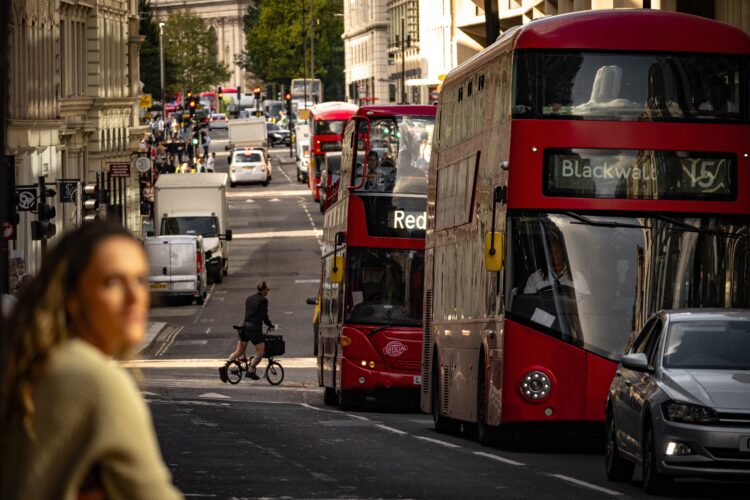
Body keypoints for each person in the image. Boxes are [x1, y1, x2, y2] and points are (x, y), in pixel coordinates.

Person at [0, 221, 182, 499]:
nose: (135, 297)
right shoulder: (96, 381)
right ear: (71, 296)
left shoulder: (36, 365)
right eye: (112, 281)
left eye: (140, 280)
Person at [225, 281, 275, 380]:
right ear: (264, 290)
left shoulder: (249, 298)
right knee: (261, 352)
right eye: (267, 290)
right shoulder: (263, 300)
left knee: (238, 352)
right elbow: (264, 315)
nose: (267, 292)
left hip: (244, 328)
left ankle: (226, 365)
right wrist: (270, 325)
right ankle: (251, 370)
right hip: (254, 329)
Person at [524, 232, 590, 294]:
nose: (554, 255)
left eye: (557, 251)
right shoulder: (535, 278)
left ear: (563, 253)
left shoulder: (577, 277)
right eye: (551, 252)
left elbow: (586, 302)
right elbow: (528, 303)